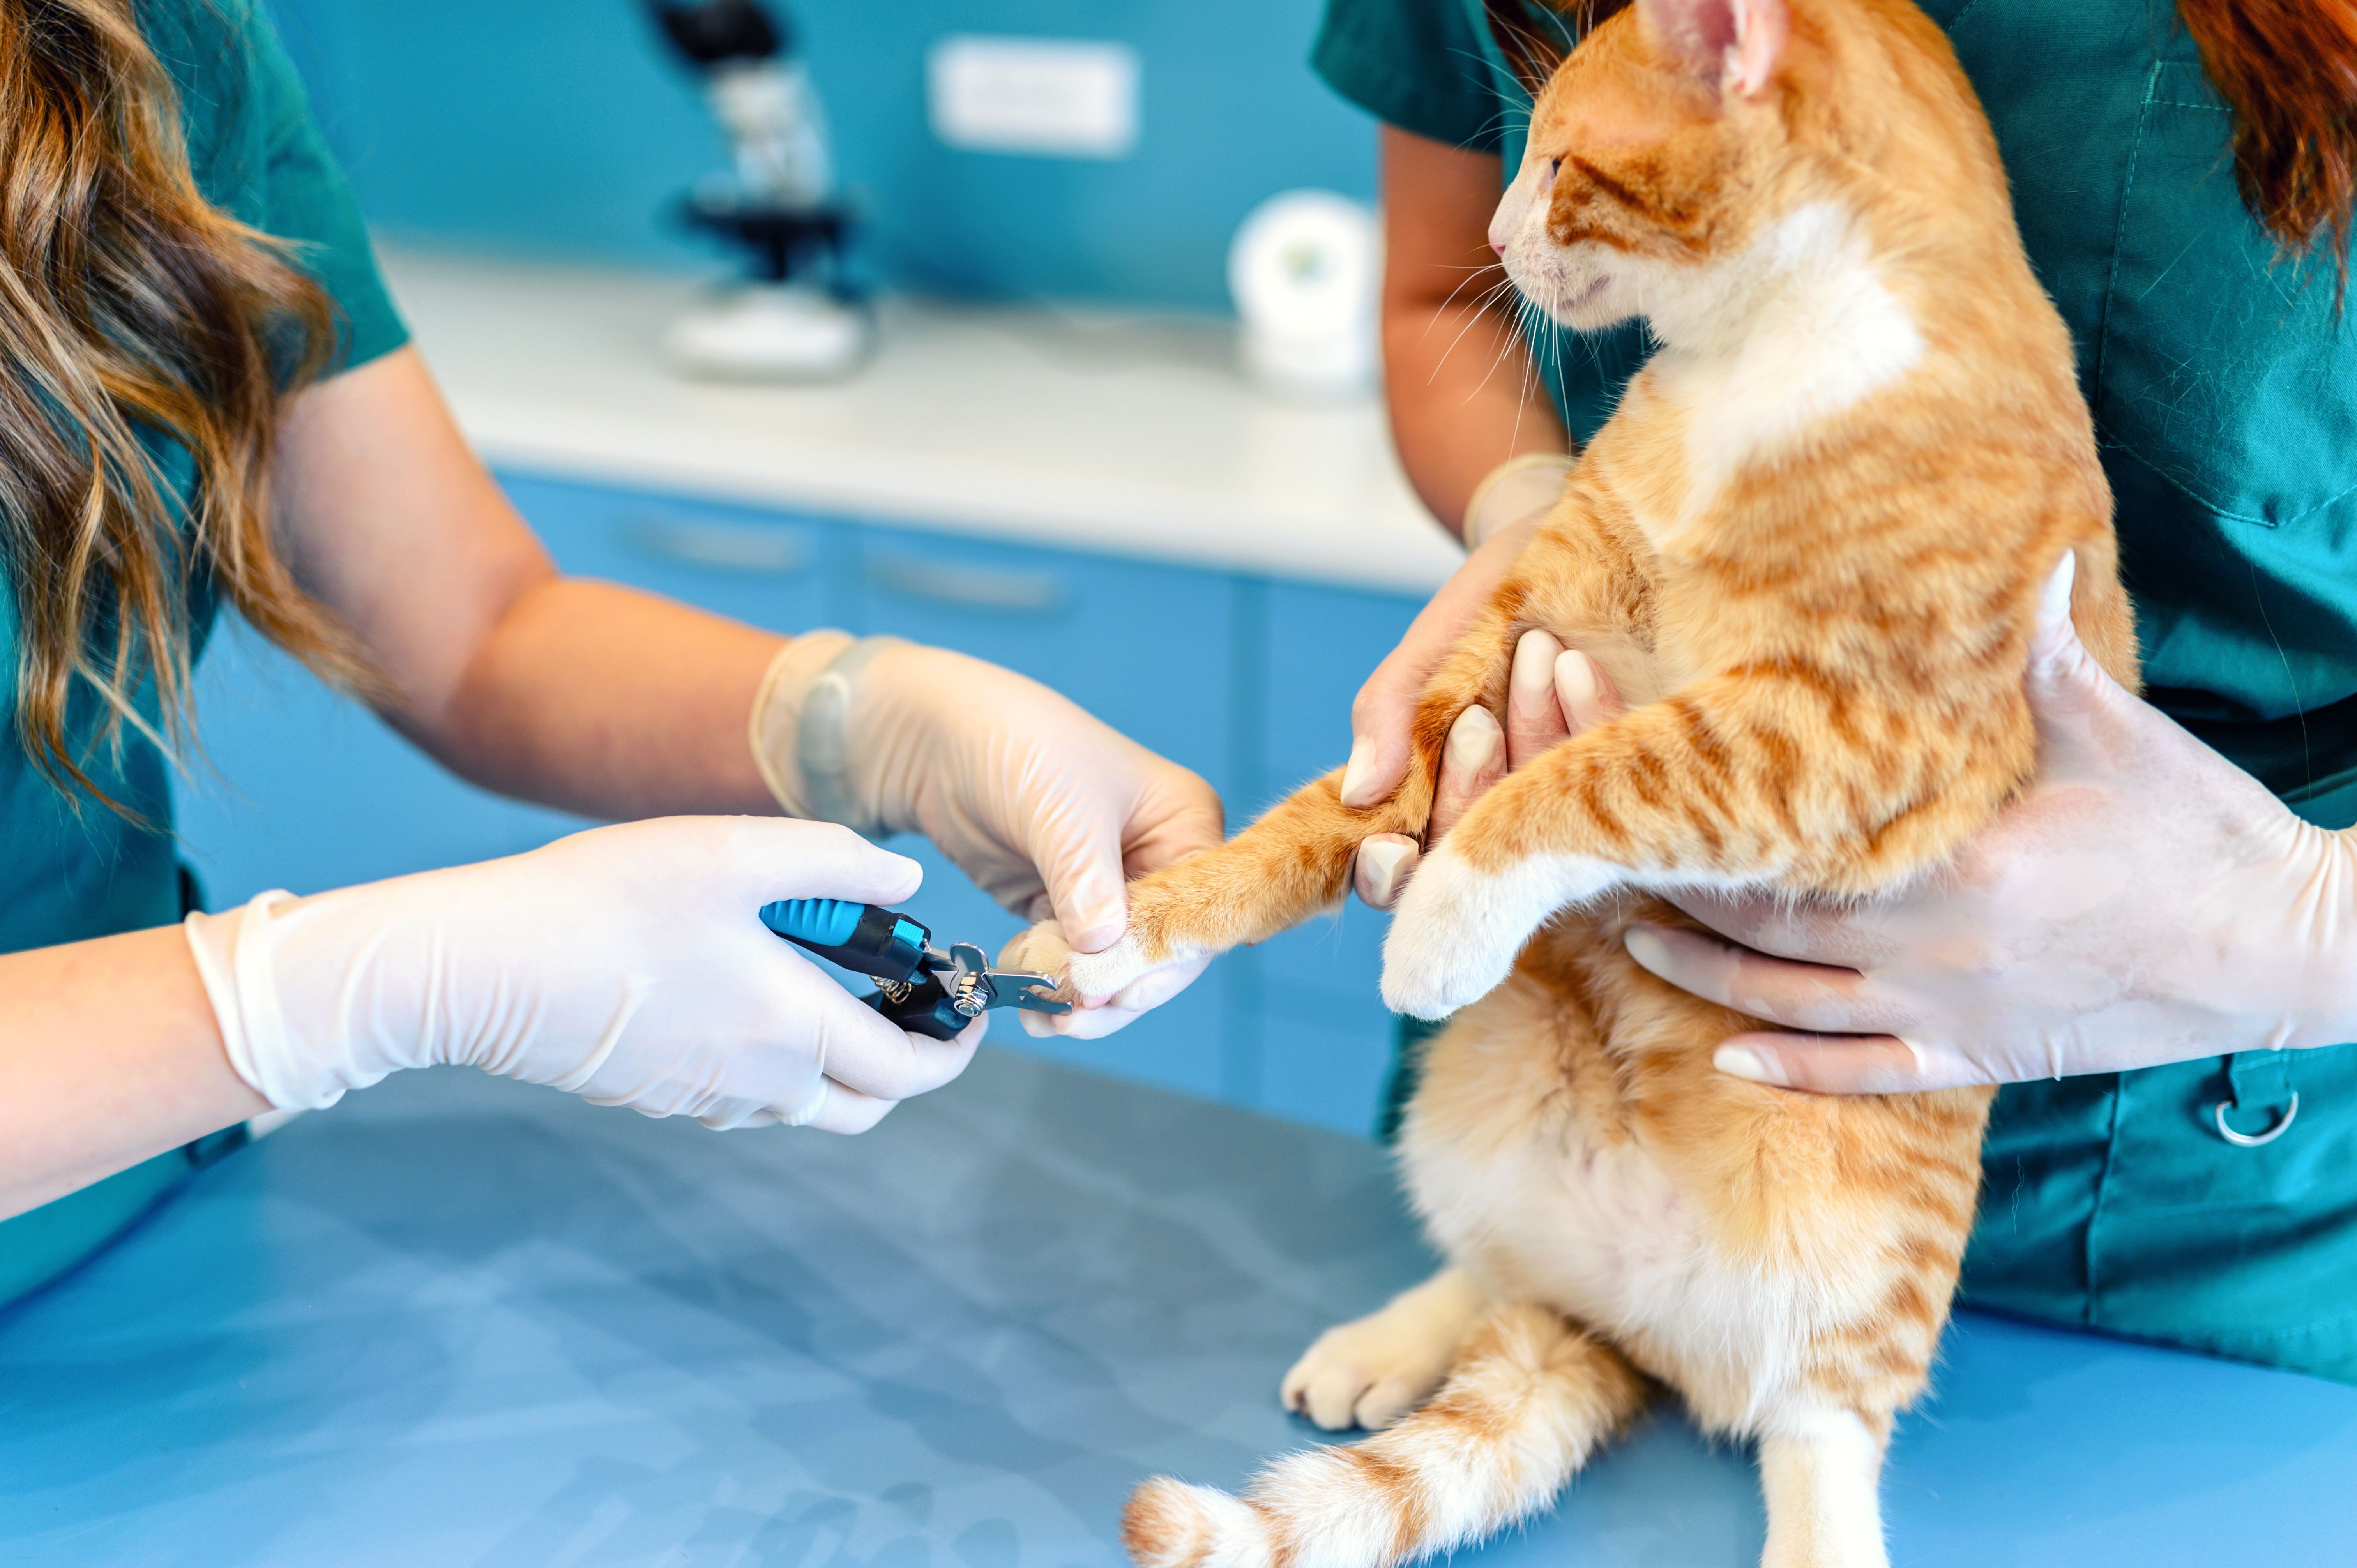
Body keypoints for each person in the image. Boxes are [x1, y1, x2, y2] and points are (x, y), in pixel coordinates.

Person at [0, 0, 1214, 1307]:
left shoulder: (173, 48)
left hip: (145, 1212)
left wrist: (870, 719)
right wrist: (334, 995)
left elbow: (477, 634)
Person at [1310, 0, 2357, 1382]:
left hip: (2203, 1192)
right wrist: (1547, 522)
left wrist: (2295, 933)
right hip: (1586, 1026)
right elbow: (1443, 296)